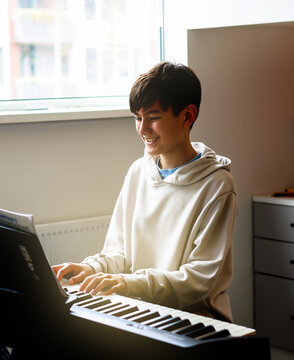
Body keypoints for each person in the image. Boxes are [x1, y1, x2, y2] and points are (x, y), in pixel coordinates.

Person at [52, 61, 237, 322]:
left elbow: (198, 280)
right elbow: (120, 252)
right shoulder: (139, 171)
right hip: (140, 307)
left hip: (193, 318)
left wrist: (128, 284)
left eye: (153, 117)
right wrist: (92, 268)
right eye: (138, 118)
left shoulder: (217, 185)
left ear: (187, 116)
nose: (143, 129)